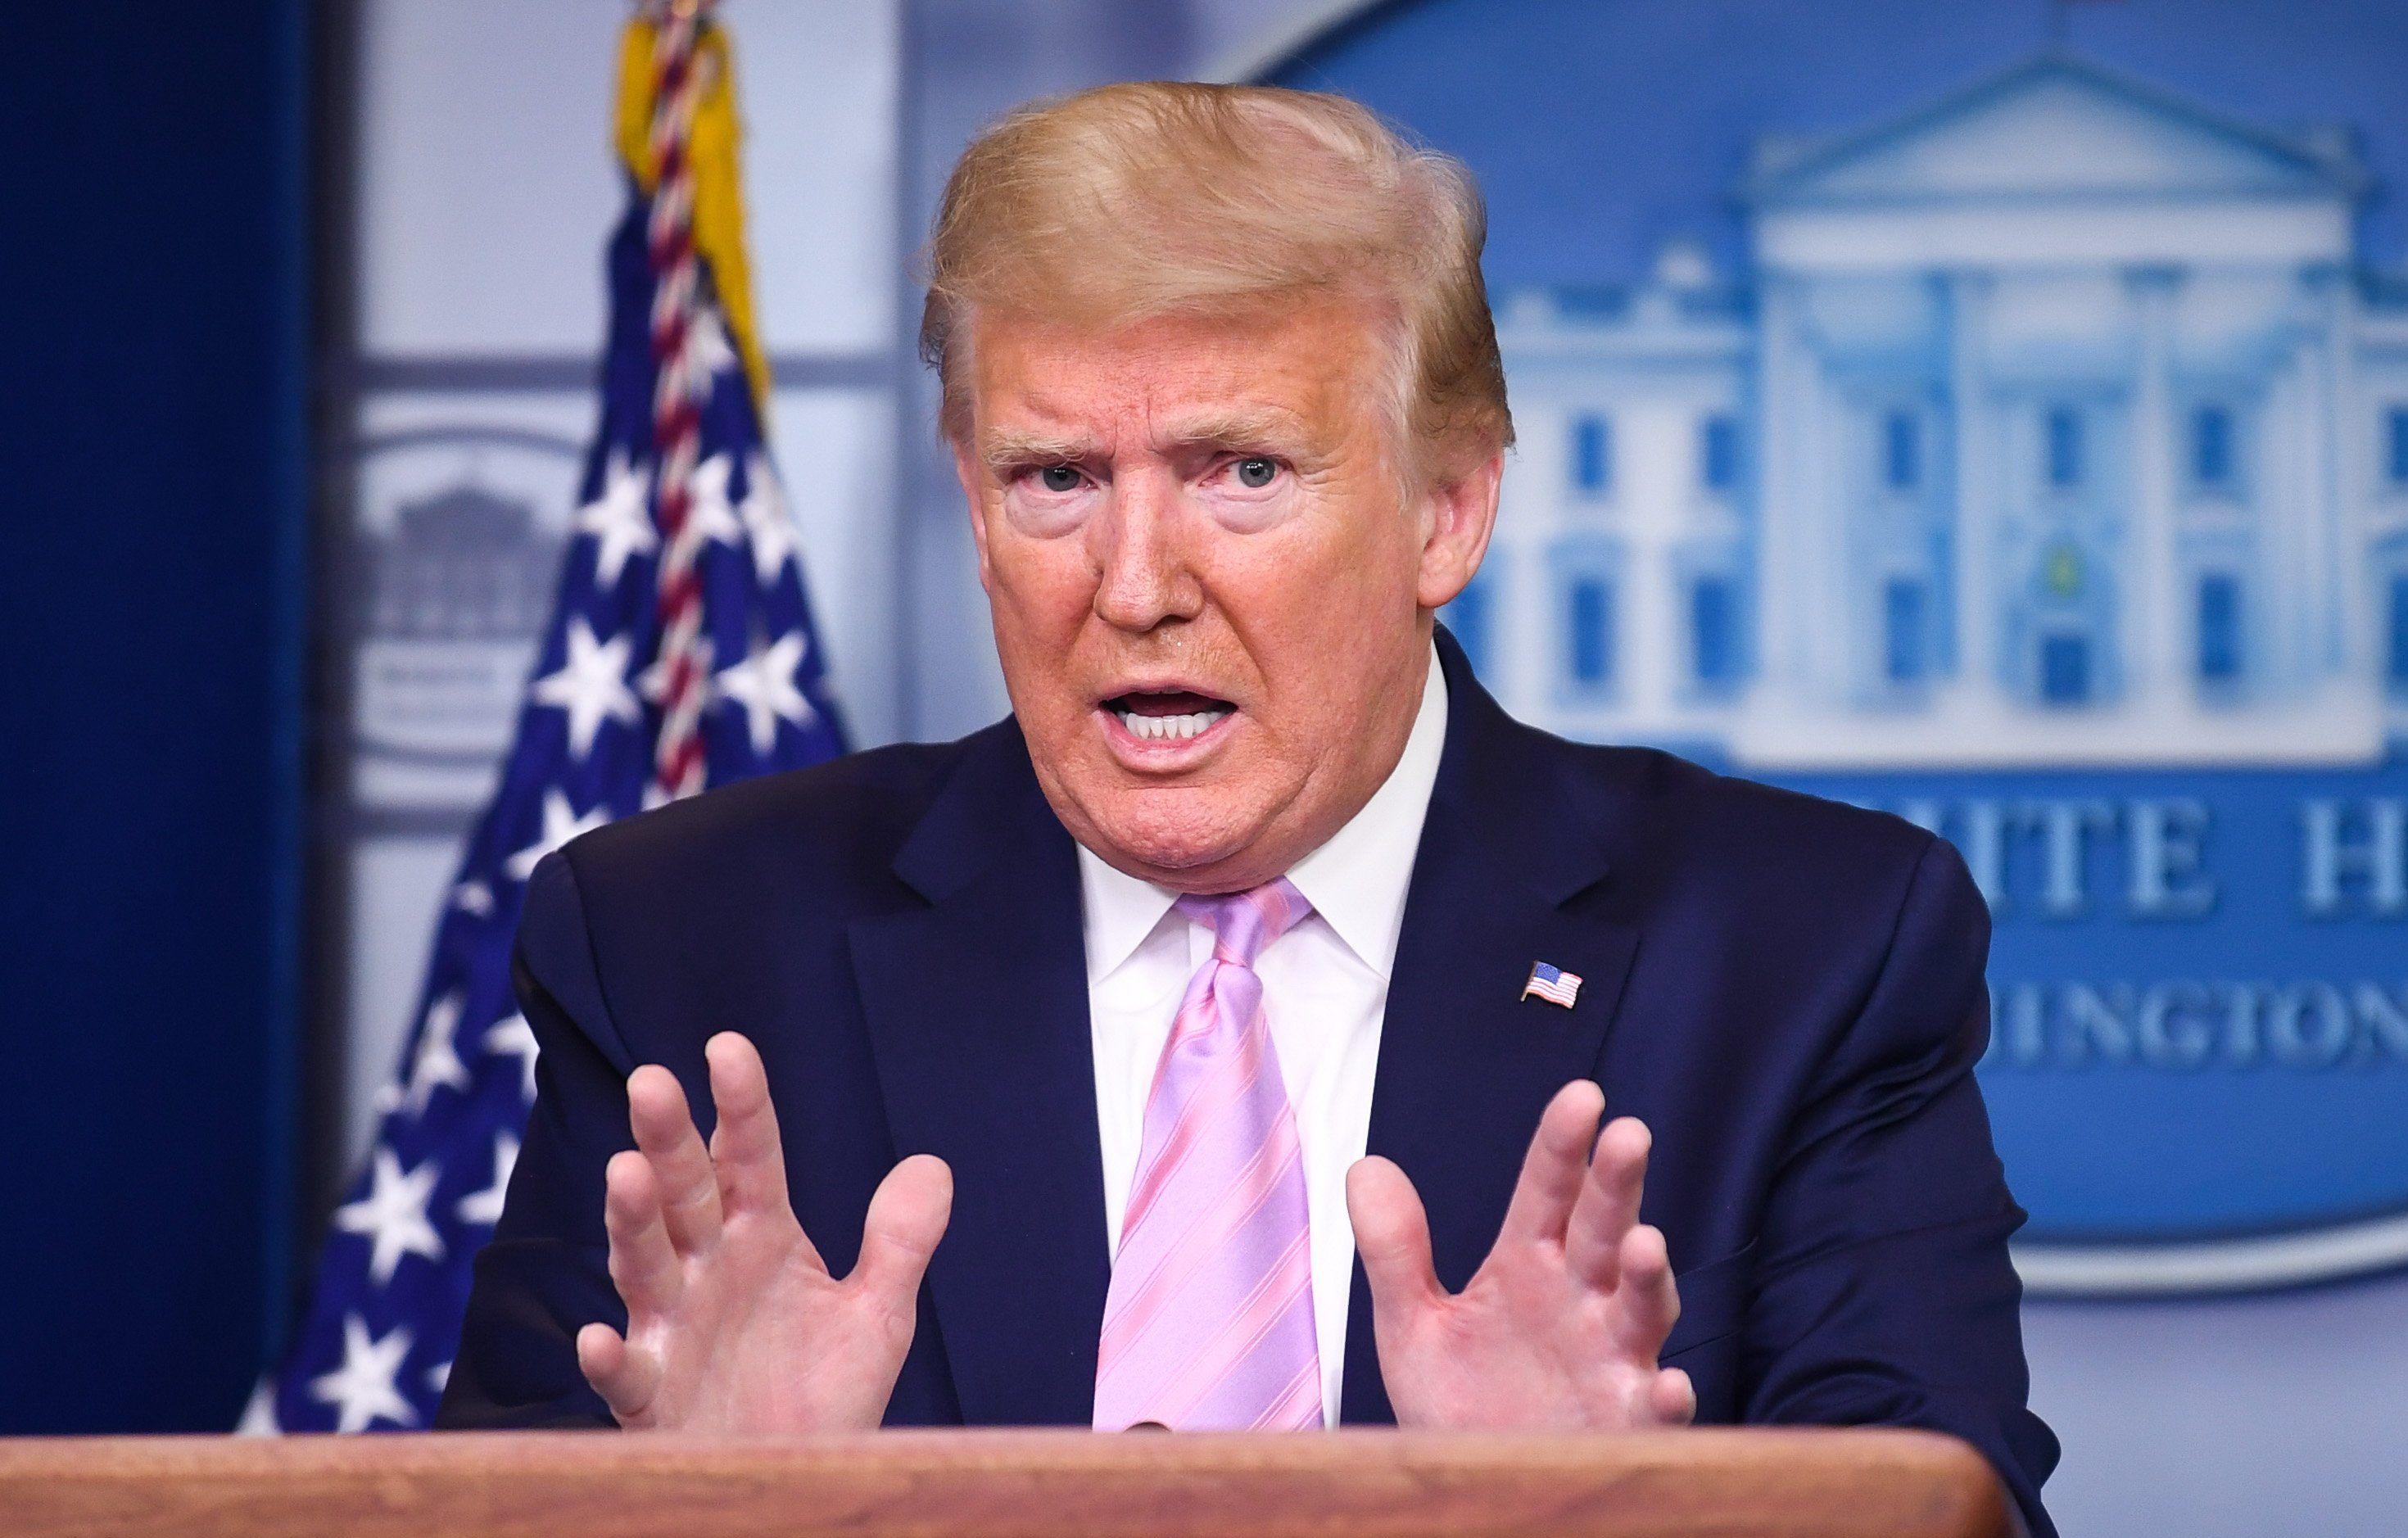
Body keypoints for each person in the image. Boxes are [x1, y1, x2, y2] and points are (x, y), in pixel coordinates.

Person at [438, 80, 2056, 1535]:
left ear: (1449, 508)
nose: (1134, 587)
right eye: (1055, 478)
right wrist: (692, 1526)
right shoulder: (684, 951)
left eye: (1245, 472)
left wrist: (1612, 1528)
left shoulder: (1800, 956)